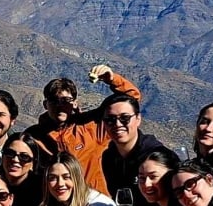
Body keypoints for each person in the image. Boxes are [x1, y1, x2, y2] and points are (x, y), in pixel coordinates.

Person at [24, 66, 140, 195]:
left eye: (65, 100)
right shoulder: (35, 135)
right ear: (46, 105)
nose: (60, 105)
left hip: (95, 202)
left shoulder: (91, 126)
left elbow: (131, 99)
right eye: (54, 101)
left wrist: (112, 79)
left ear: (74, 103)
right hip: (58, 205)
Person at [98, 92, 164, 198]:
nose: (117, 124)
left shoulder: (157, 156)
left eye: (125, 118)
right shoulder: (108, 158)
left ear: (138, 119)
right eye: (110, 120)